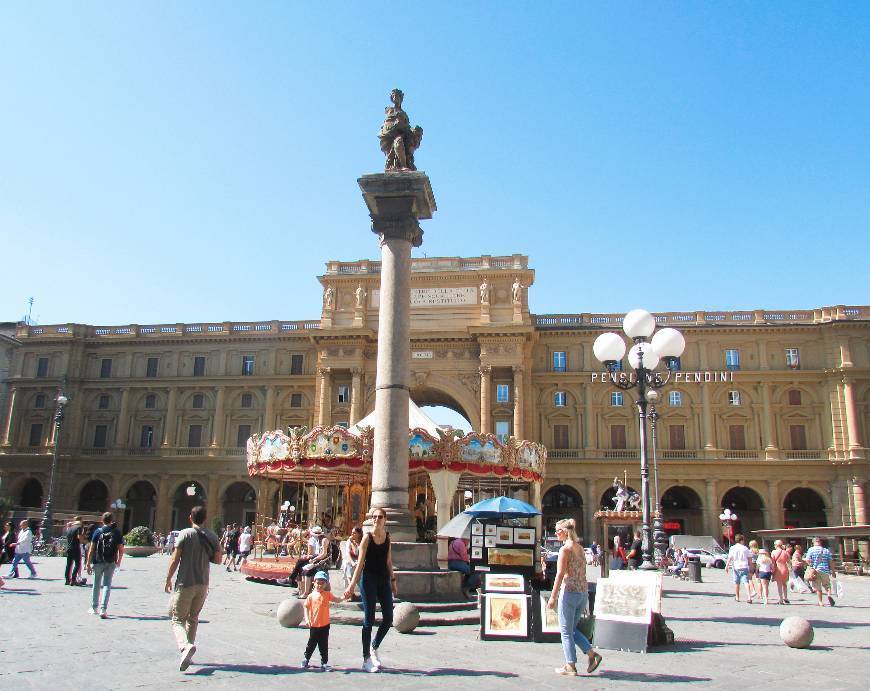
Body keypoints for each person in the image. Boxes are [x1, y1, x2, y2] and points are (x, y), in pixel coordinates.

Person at [164, 505, 221, 672]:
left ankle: (184, 646)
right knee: (193, 618)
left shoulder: (185, 534)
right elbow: (218, 559)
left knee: (177, 619)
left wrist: (168, 578)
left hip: (185, 583)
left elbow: (175, 559)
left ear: (190, 518)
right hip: (203, 584)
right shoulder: (212, 536)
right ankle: (187, 654)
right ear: (205, 518)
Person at [343, 508, 397, 673]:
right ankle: (366, 658)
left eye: (380, 517)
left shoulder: (387, 537)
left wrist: (393, 580)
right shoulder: (366, 538)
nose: (377, 519)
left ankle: (374, 646)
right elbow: (359, 564)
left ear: (385, 519)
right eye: (374, 517)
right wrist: (352, 585)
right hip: (368, 580)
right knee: (369, 619)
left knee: (388, 618)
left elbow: (388, 561)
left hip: (383, 580)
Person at [548, 518, 603, 676]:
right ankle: (591, 655)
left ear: (565, 532)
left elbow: (560, 574)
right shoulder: (580, 548)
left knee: (565, 631)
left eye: (558, 531)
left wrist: (553, 597)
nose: (556, 534)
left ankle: (570, 665)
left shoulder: (565, 549)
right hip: (582, 593)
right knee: (571, 630)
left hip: (570, 592)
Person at [301, 571, 345, 671]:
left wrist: (343, 597)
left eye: (322, 583)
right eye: (318, 583)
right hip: (314, 625)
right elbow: (306, 608)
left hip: (325, 625)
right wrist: (307, 619)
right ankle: (306, 659)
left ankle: (324, 662)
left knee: (324, 645)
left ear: (326, 584)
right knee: (311, 644)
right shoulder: (311, 596)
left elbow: (336, 599)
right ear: (314, 582)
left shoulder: (327, 594)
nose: (320, 585)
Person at [85, 511, 124, 618]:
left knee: (96, 583)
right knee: (107, 584)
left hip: (98, 561)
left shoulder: (98, 531)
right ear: (111, 520)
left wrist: (88, 563)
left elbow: (92, 549)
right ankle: (103, 609)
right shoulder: (116, 532)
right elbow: (121, 549)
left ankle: (94, 608)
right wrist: (119, 562)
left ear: (102, 520)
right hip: (111, 561)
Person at [804, 537, 837, 607]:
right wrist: (833, 571)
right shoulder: (826, 550)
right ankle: (829, 595)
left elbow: (807, 560)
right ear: (820, 542)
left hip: (815, 570)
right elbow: (831, 561)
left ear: (813, 542)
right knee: (827, 585)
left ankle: (820, 602)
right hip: (825, 570)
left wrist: (811, 565)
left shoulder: (811, 550)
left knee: (818, 587)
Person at [725, 534, 753, 603]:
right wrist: (751, 566)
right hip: (744, 566)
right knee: (746, 582)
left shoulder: (732, 548)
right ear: (741, 540)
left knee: (737, 583)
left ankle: (737, 597)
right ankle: (749, 597)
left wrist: (727, 566)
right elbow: (749, 558)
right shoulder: (745, 548)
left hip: (736, 567)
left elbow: (730, 558)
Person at [341, 527, 363, 598]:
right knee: (348, 565)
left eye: (354, 533)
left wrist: (354, 543)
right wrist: (352, 562)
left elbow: (360, 553)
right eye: (352, 532)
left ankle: (353, 592)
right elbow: (348, 553)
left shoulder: (362, 541)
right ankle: (351, 593)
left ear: (359, 534)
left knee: (353, 569)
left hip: (360, 560)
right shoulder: (349, 541)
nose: (352, 534)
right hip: (350, 560)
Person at [64, 516, 86, 586]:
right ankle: (73, 580)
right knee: (77, 564)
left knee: (69, 564)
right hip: (76, 547)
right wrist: (84, 541)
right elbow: (79, 537)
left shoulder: (70, 528)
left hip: (69, 547)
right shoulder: (79, 528)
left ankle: (67, 580)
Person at [771, 539, 791, 604]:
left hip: (778, 569)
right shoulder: (785, 552)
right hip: (785, 569)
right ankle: (786, 597)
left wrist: (772, 570)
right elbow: (789, 562)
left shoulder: (774, 552)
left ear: (776, 545)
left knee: (779, 585)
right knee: (785, 584)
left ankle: (781, 599)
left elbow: (773, 562)